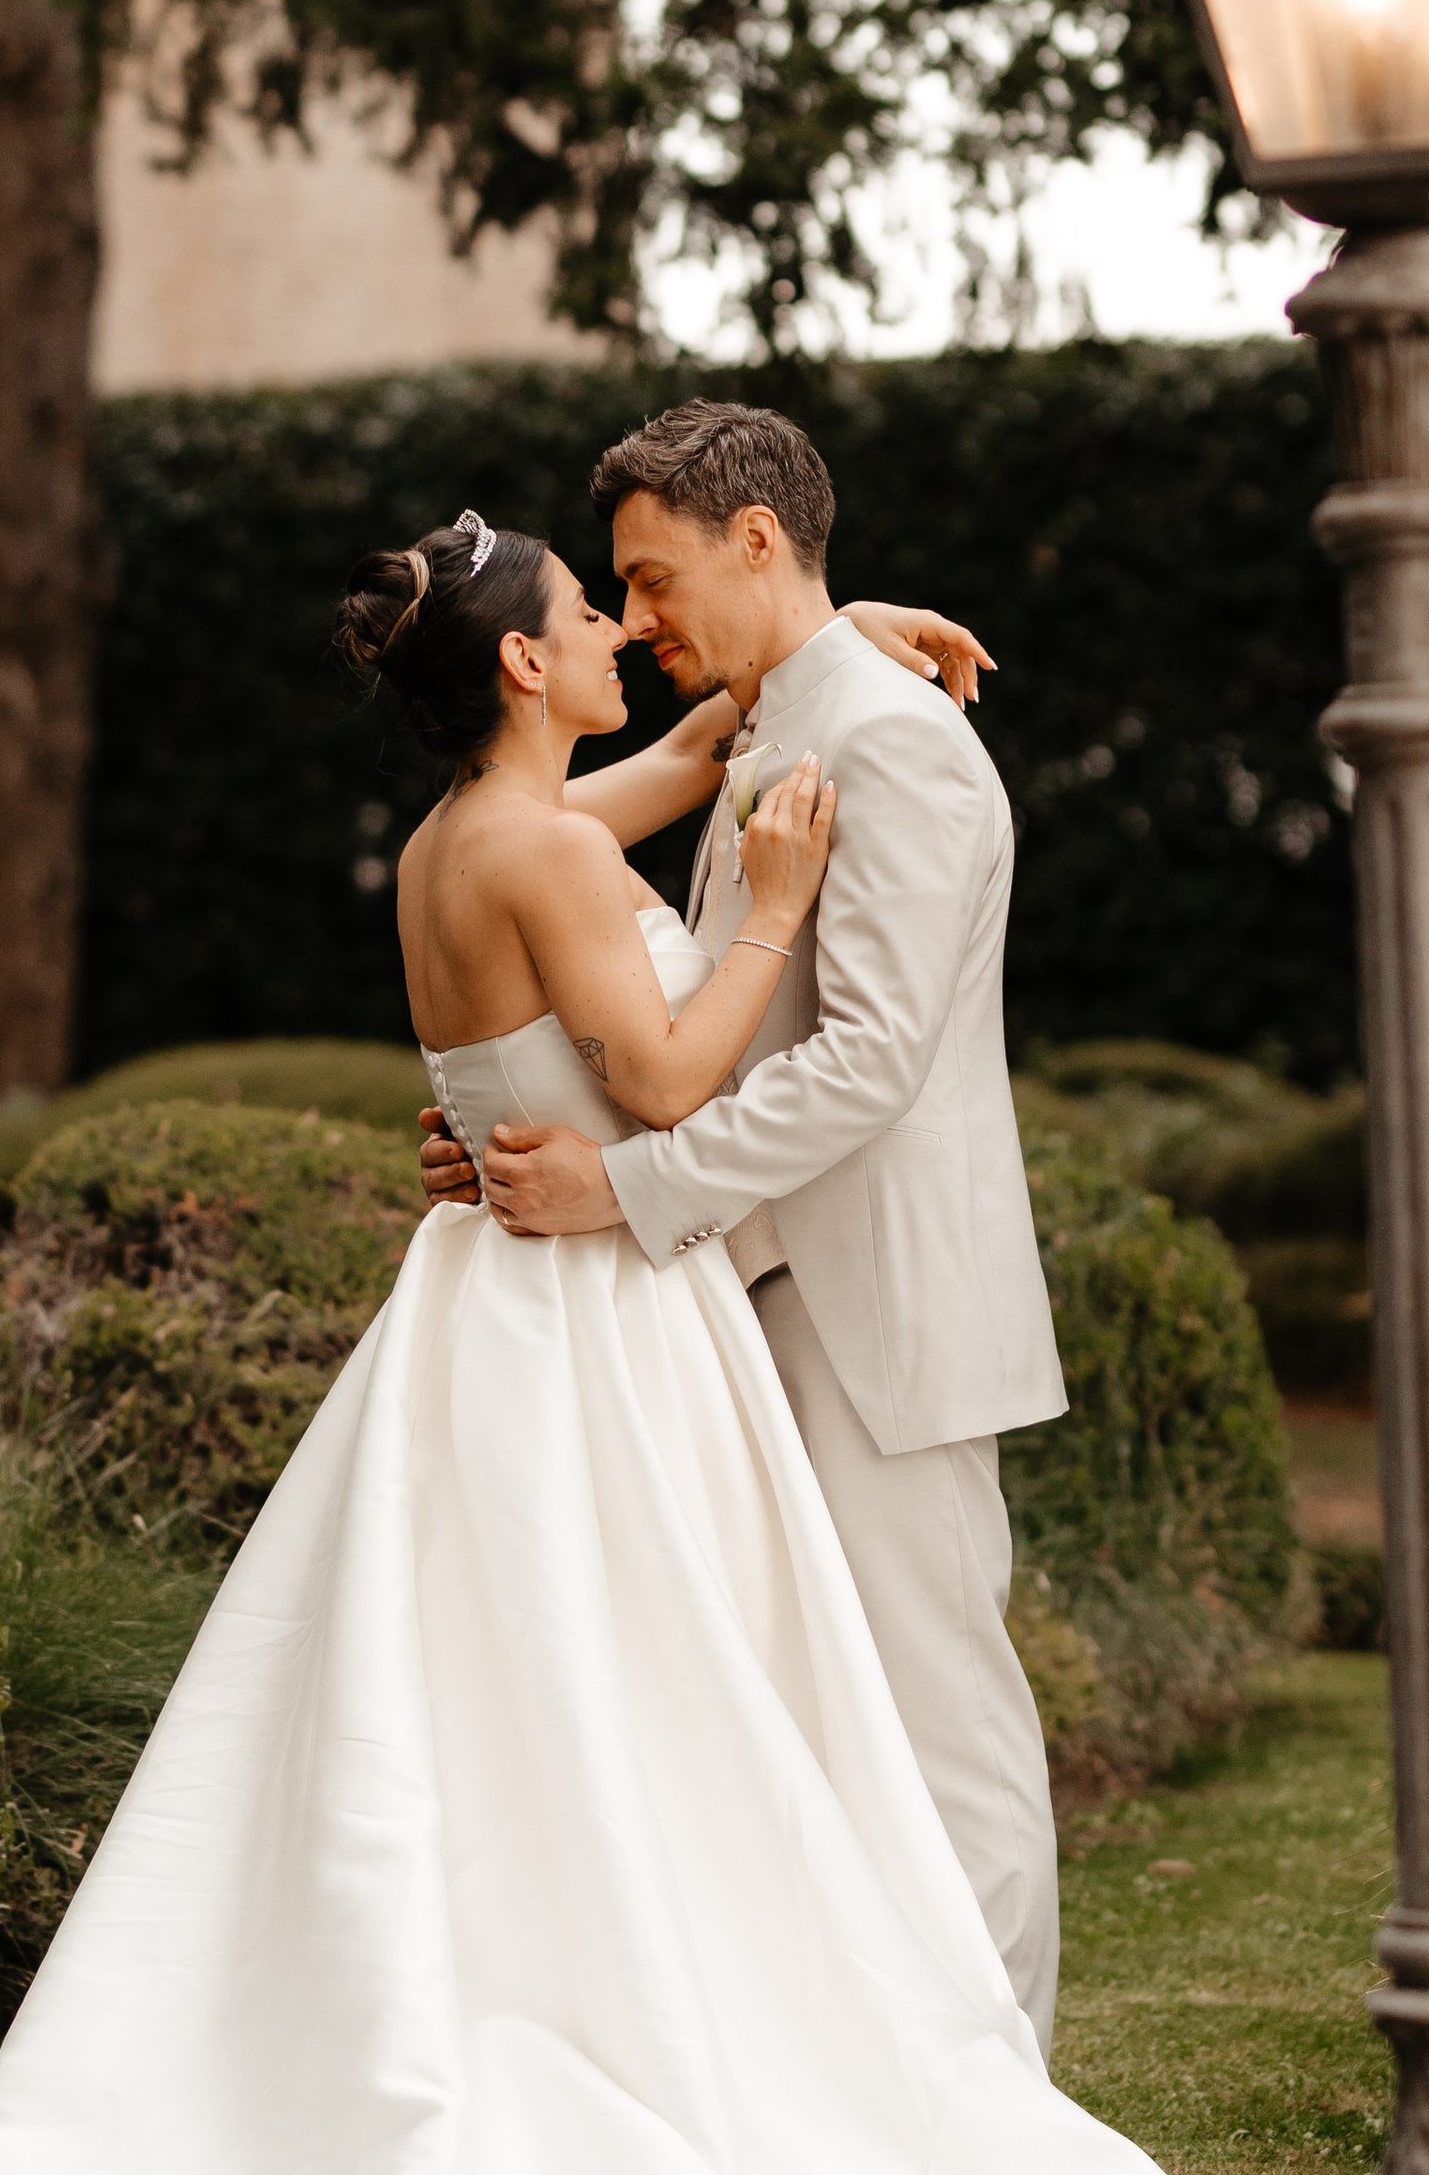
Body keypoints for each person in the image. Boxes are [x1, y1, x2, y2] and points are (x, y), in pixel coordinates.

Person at [0, 509, 1410, 2175]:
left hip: (490, 1316)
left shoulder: (462, 840)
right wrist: (769, 904)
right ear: (522, 662)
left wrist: (816, 648)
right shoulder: (534, 853)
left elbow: (658, 775)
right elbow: (678, 1075)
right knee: (673, 1718)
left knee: (538, 1714)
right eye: (588, 609)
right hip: (601, 1318)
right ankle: (769, 2108)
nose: (621, 628)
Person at [420, 400, 1063, 2044]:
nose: (635, 623)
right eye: (613, 598)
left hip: (878, 1315)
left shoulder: (896, 741)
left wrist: (612, 1191)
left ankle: (1001, 2126)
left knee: (939, 1736)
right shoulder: (783, 716)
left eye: (650, 581)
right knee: (809, 1731)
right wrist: (521, 1133)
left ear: (755, 540)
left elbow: (868, 1062)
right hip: (747, 1303)